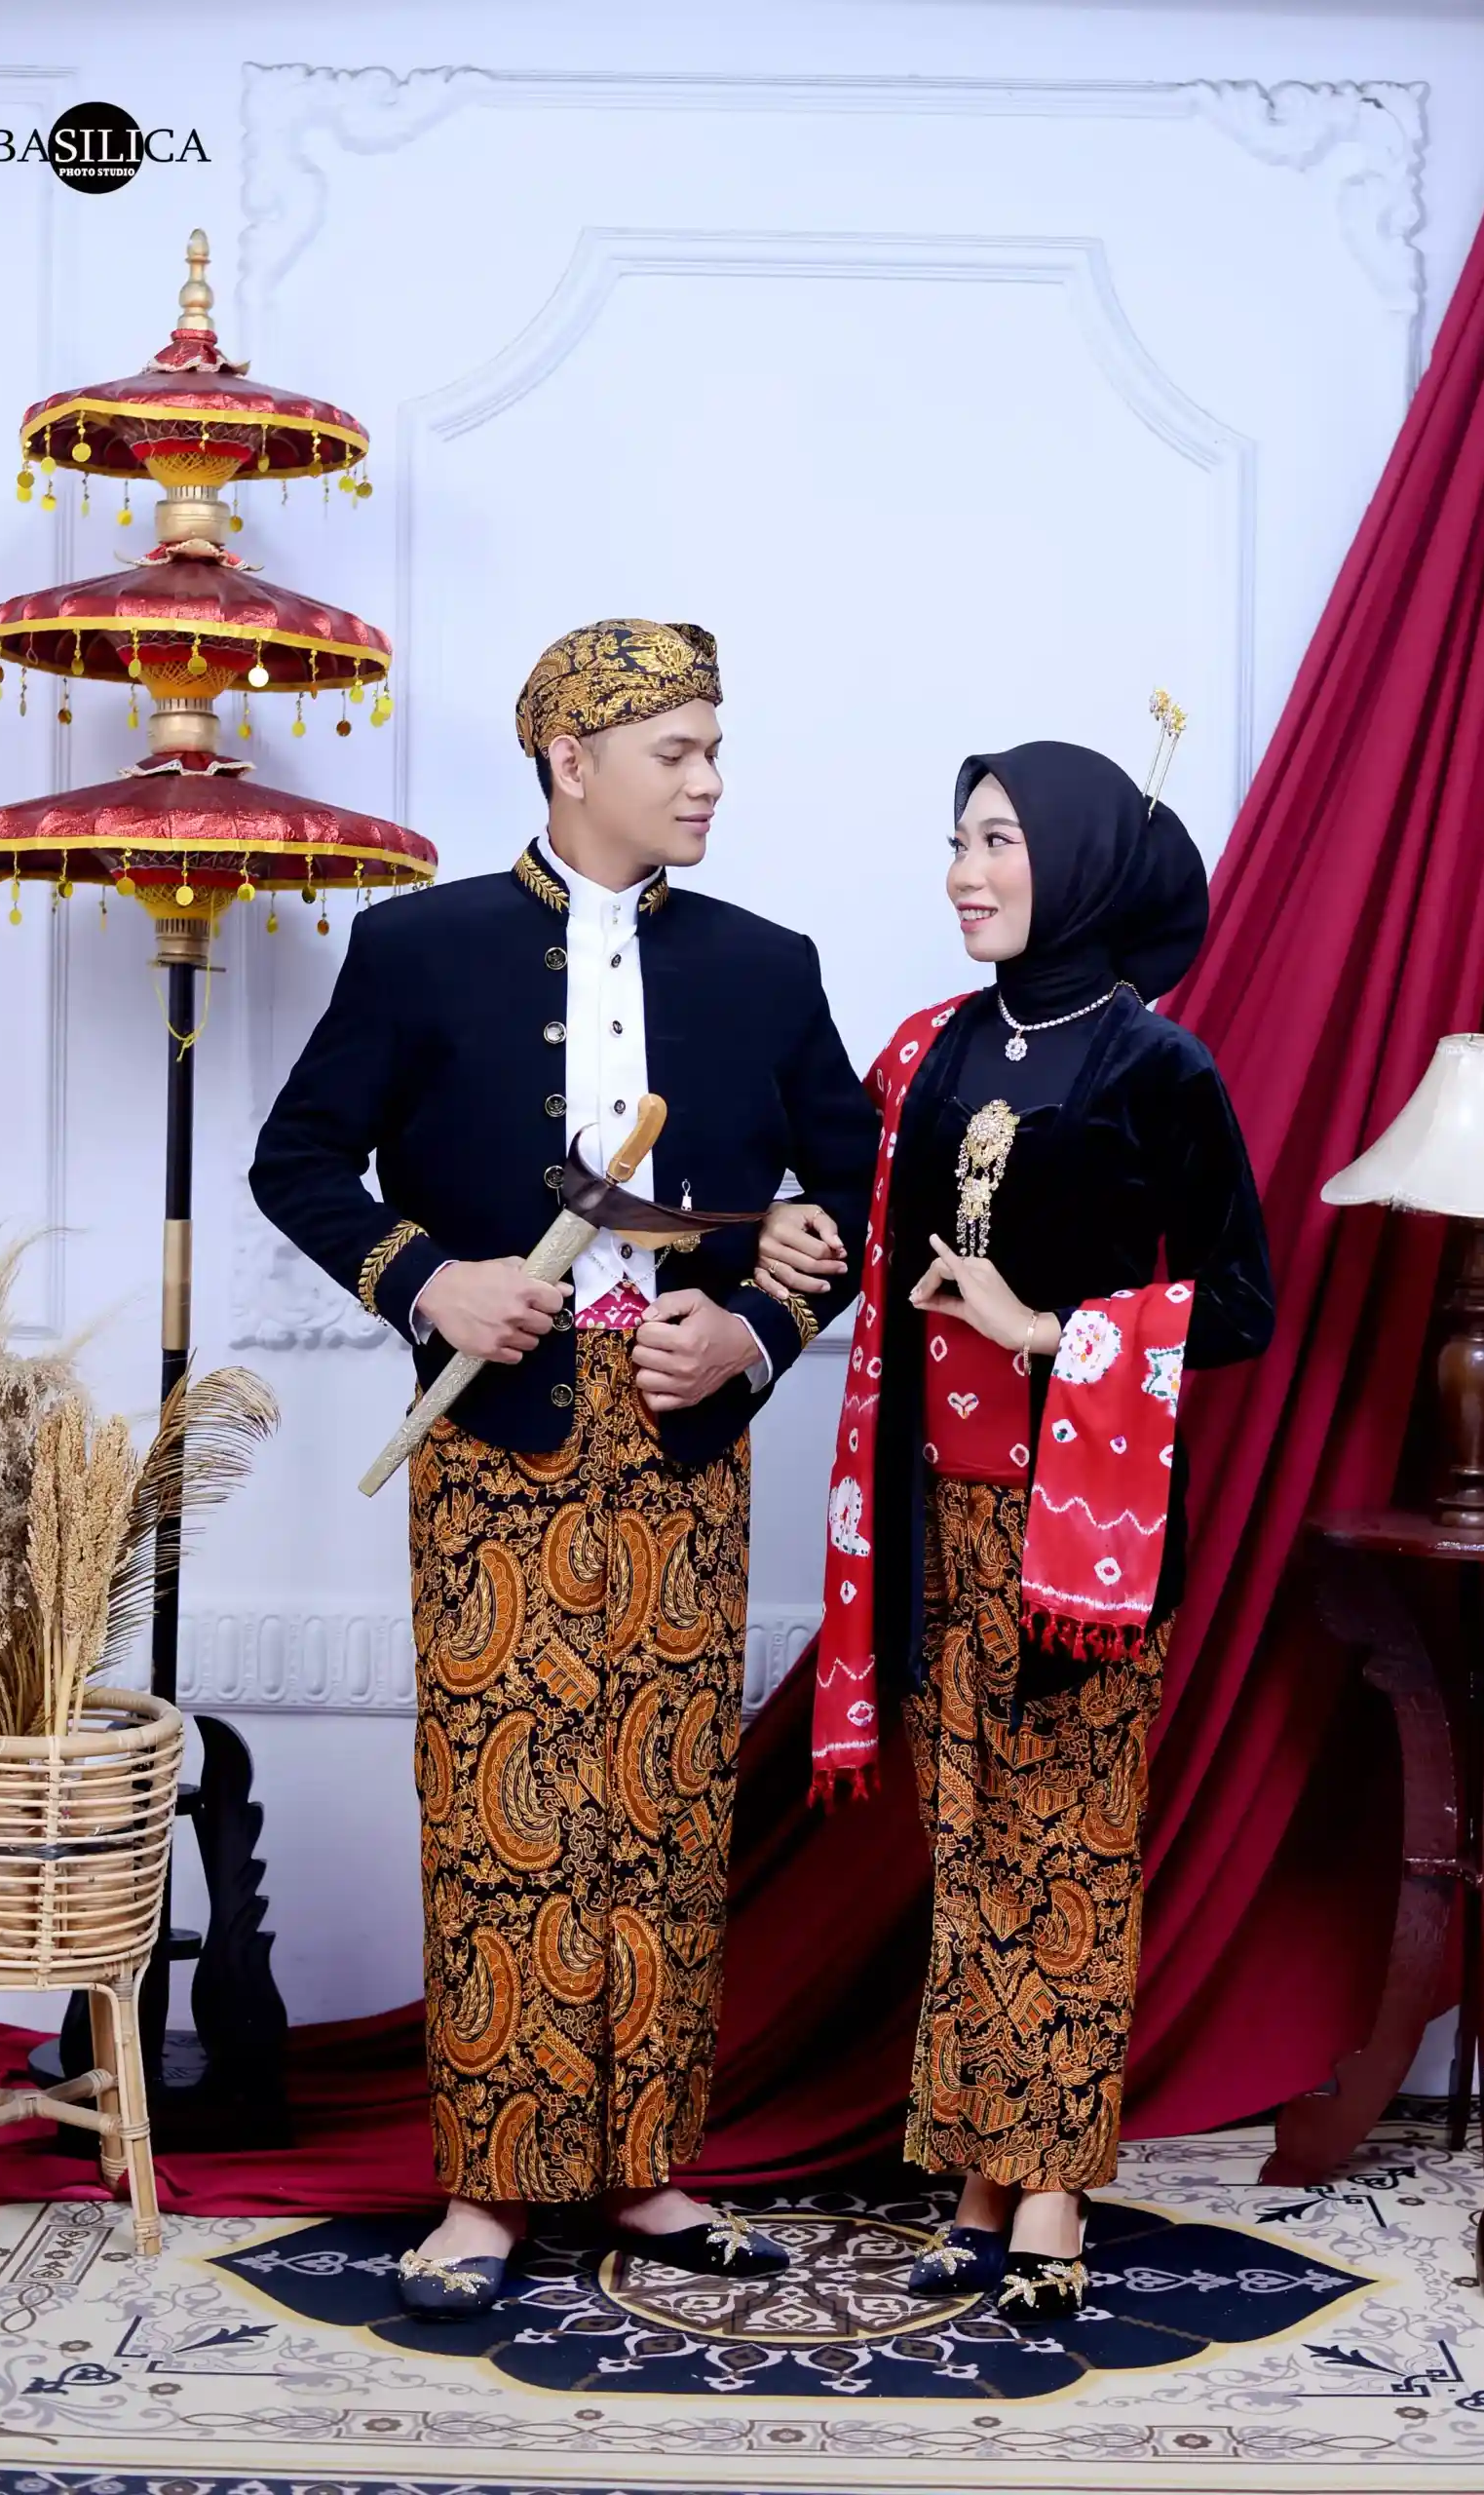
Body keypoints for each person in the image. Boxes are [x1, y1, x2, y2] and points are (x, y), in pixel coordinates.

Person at [250, 619, 878, 2316]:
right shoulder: (419, 947)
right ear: (569, 760)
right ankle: (488, 2187)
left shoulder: (766, 964)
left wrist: (752, 1329)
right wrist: (425, 1281)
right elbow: (296, 1161)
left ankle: (644, 2169)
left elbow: (852, 1188)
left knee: (662, 1812)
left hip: (680, 1441)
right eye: (677, 750)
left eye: (715, 747)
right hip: (492, 1440)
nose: (709, 780)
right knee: (499, 1815)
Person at [754, 740, 1274, 2323]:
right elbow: (845, 1231)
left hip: (1078, 1537)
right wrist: (770, 1237)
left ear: (1079, 863)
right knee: (973, 1848)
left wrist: (1048, 1329)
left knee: (1070, 1848)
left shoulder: (1155, 1066)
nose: (962, 873)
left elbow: (1240, 1304)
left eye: (995, 842)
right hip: (930, 1524)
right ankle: (977, 2169)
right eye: (956, 841)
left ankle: (1048, 2183)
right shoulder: (924, 1053)